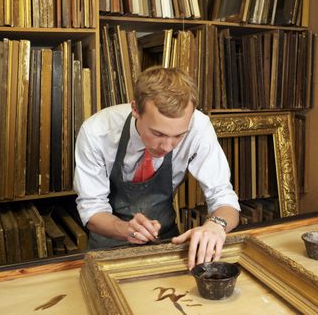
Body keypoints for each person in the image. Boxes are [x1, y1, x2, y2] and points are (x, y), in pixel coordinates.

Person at [74, 66, 240, 270]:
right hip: (107, 247)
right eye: (158, 134)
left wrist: (216, 225)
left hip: (166, 243)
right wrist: (127, 229)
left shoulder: (198, 127)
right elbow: (92, 210)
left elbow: (223, 196)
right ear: (135, 109)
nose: (168, 146)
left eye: (179, 135)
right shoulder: (96, 132)